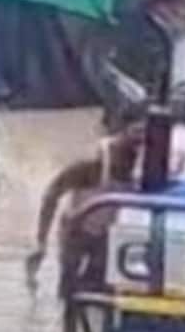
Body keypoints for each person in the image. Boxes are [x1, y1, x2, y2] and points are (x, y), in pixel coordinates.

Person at [24, 109, 147, 294]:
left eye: (147, 133)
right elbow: (52, 193)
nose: (142, 139)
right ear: (121, 130)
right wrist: (41, 244)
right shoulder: (94, 162)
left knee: (101, 288)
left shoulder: (149, 161)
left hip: (109, 234)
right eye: (138, 131)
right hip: (76, 231)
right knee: (69, 289)